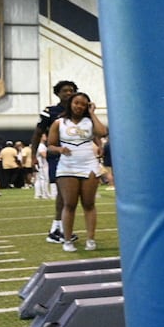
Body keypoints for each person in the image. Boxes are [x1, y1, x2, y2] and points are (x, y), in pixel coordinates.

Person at [47, 92, 107, 252]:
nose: (79, 106)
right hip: (67, 166)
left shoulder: (89, 121)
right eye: (76, 103)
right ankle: (67, 240)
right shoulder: (59, 123)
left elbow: (102, 132)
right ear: (70, 104)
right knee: (69, 204)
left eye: (83, 104)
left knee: (89, 203)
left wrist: (93, 113)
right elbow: (50, 145)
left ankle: (91, 239)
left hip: (89, 165)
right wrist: (60, 149)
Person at [29, 80, 77, 242]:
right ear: (57, 93)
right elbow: (37, 133)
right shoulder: (50, 111)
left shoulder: (79, 110)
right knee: (64, 193)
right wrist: (33, 155)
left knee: (70, 195)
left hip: (76, 155)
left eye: (71, 90)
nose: (68, 93)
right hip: (57, 155)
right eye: (65, 90)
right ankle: (58, 229)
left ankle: (60, 228)